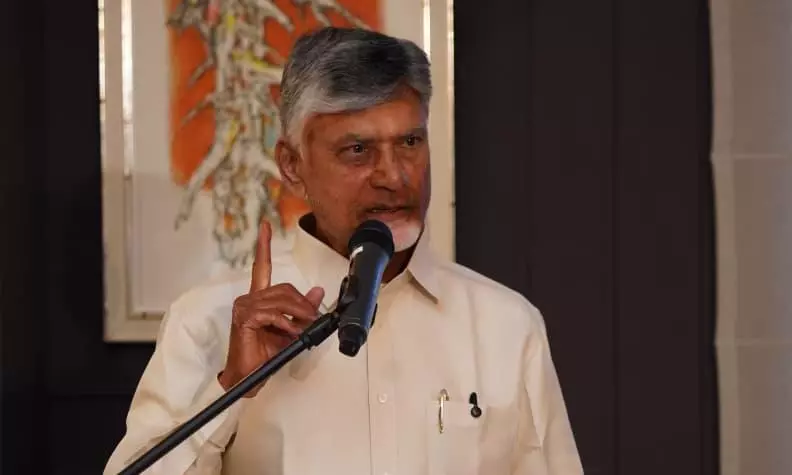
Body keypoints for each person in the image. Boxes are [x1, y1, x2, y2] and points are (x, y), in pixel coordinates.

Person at [104, 27, 583, 475]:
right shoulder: (205, 320)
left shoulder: (506, 326)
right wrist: (231, 386)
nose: (393, 176)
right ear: (292, 166)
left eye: (410, 142)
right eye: (358, 150)